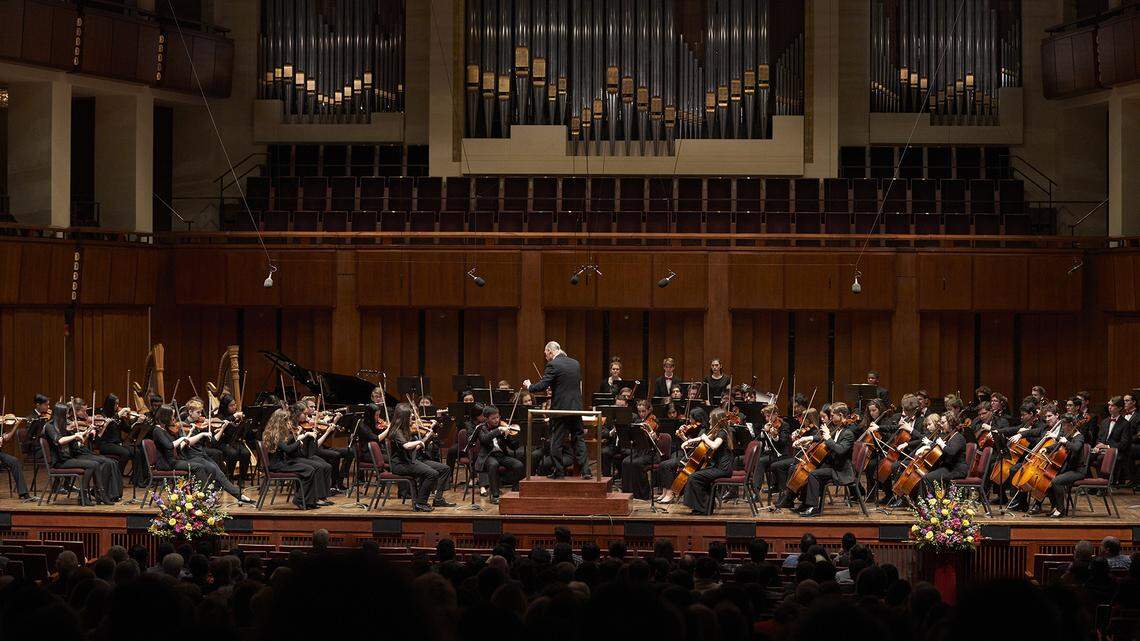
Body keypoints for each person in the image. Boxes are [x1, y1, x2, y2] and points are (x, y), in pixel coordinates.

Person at [150, 405, 255, 505]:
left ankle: (232, 495)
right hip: (167, 464)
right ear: (165, 416)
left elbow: (179, 447)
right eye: (171, 416)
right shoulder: (157, 430)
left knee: (212, 467)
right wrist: (182, 438)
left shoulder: (165, 429)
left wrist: (188, 435)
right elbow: (169, 446)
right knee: (199, 467)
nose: (173, 419)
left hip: (176, 460)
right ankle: (205, 497)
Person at [524, 341, 590, 479]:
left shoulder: (553, 364)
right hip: (576, 408)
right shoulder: (575, 363)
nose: (546, 357)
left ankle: (559, 472)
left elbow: (542, 386)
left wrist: (529, 386)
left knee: (556, 441)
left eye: (545, 354)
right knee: (579, 439)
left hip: (560, 409)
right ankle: (586, 471)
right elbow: (567, 384)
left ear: (550, 351)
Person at [790, 402, 857, 518]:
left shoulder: (848, 433)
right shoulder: (837, 428)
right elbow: (821, 438)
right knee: (808, 470)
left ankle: (814, 507)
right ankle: (805, 503)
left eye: (832, 415)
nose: (830, 417)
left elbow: (840, 450)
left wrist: (828, 438)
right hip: (832, 465)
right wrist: (808, 438)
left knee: (814, 475)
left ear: (841, 415)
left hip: (841, 470)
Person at [387, 402, 454, 511]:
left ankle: (434, 499)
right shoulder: (396, 431)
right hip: (400, 464)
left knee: (442, 469)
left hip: (409, 460)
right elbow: (406, 445)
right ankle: (421, 502)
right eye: (410, 416)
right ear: (404, 417)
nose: (412, 419)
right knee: (431, 473)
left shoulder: (404, 430)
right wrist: (419, 441)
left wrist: (426, 438)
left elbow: (414, 448)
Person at [261, 409, 328, 510]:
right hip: (278, 465)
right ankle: (300, 500)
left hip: (281, 463)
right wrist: (299, 441)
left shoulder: (273, 432)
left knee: (310, 469)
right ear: (281, 421)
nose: (289, 422)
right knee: (309, 470)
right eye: (287, 420)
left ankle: (307, 501)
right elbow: (288, 450)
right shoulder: (276, 435)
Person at [681, 408, 736, 514]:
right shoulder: (716, 432)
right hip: (717, 467)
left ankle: (703, 508)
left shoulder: (722, 433)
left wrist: (705, 439)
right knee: (695, 476)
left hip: (723, 469)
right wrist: (688, 442)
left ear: (716, 420)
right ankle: (704, 507)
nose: (709, 421)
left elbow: (714, 445)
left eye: (711, 419)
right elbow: (701, 438)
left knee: (694, 477)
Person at [1033, 415, 1087, 518]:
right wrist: (1047, 449)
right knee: (1047, 480)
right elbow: (1058, 445)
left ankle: (1061, 510)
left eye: (1064, 425)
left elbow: (1076, 448)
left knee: (1056, 481)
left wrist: (1066, 442)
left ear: (1071, 424)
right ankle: (1055, 507)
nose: (1063, 427)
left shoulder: (1079, 437)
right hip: (1067, 469)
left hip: (1077, 471)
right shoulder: (1068, 435)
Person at [93, 394, 147, 487]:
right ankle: (117, 478)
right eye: (116, 404)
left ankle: (137, 481)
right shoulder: (102, 415)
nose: (117, 406)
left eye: (118, 403)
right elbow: (110, 423)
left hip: (117, 444)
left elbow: (127, 429)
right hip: (106, 444)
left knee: (136, 451)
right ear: (110, 404)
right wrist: (121, 412)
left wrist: (137, 422)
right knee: (125, 453)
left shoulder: (118, 416)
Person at [474, 406, 524, 505]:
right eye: (493, 418)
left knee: (518, 465)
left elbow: (513, 447)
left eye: (497, 417)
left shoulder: (502, 427)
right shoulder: (481, 428)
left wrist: (509, 437)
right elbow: (484, 439)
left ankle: (515, 491)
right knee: (494, 464)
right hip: (487, 456)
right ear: (486, 418)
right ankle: (495, 495)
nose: (497, 420)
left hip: (501, 455)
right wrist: (498, 431)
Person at [620, 399, 662, 500]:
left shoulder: (654, 420)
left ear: (649, 410)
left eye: (644, 411)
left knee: (636, 463)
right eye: (639, 411)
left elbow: (654, 439)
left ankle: (642, 494)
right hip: (640, 451)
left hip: (651, 453)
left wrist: (652, 435)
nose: (641, 414)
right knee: (625, 461)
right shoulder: (638, 421)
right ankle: (629, 492)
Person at [1092, 396, 1132, 477]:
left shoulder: (1125, 424)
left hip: (1116, 451)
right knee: (1086, 456)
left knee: (1100, 458)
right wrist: (1097, 446)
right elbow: (1099, 438)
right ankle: (1090, 482)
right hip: (1102, 450)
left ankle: (1104, 481)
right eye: (1109, 405)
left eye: (1112, 405)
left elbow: (1124, 444)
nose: (1109, 407)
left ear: (1120, 408)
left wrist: (1106, 446)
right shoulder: (1104, 422)